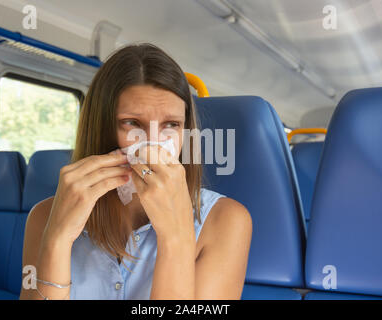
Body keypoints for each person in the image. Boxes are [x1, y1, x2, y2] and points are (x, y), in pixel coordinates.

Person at [19, 43, 252, 300]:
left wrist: (176, 237)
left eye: (171, 125)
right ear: (101, 131)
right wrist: (58, 239)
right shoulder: (43, 216)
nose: (152, 145)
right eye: (132, 123)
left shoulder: (226, 221)